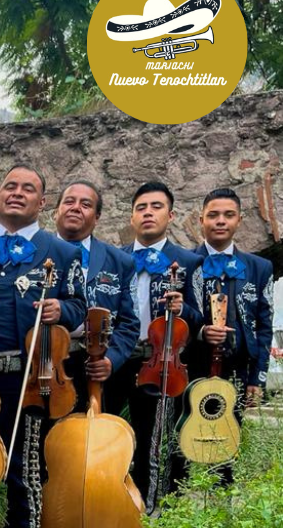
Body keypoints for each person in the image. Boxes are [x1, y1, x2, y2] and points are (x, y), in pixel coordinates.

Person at [0, 165, 86, 528]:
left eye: (29, 189)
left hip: (31, 376)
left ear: (43, 203)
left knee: (24, 467)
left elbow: (81, 304)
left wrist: (65, 310)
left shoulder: (61, 251)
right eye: (10, 186)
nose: (17, 194)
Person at [104, 181, 203, 510]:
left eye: (156, 207)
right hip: (118, 358)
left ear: (171, 215)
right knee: (108, 432)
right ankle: (110, 501)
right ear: (132, 217)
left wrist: (182, 310)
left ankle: (152, 508)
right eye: (141, 207)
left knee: (154, 438)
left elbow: (201, 317)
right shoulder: (115, 259)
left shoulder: (189, 262)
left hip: (161, 361)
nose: (148, 213)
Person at [53, 180, 140, 410]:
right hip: (47, 370)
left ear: (97, 216)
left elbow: (130, 323)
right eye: (69, 201)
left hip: (98, 370)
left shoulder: (121, 261)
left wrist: (111, 359)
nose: (75, 207)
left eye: (86, 204)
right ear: (56, 211)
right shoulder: (37, 254)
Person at [191, 188, 274, 406]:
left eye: (229, 215)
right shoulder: (183, 263)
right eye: (212, 215)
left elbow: (264, 327)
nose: (220, 221)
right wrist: (200, 333)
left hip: (239, 373)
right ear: (201, 220)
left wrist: (258, 378)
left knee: (230, 437)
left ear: (239, 220)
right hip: (191, 370)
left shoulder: (260, 268)